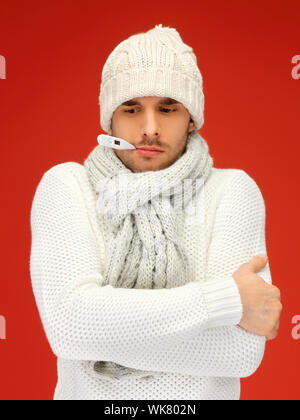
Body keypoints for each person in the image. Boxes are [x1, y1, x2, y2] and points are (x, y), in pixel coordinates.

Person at [29, 24, 282, 400]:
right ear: (109, 120)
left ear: (191, 119)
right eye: (132, 109)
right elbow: (70, 327)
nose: (149, 129)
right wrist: (226, 301)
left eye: (168, 109)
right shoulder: (68, 186)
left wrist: (105, 332)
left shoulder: (232, 190)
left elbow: (239, 352)